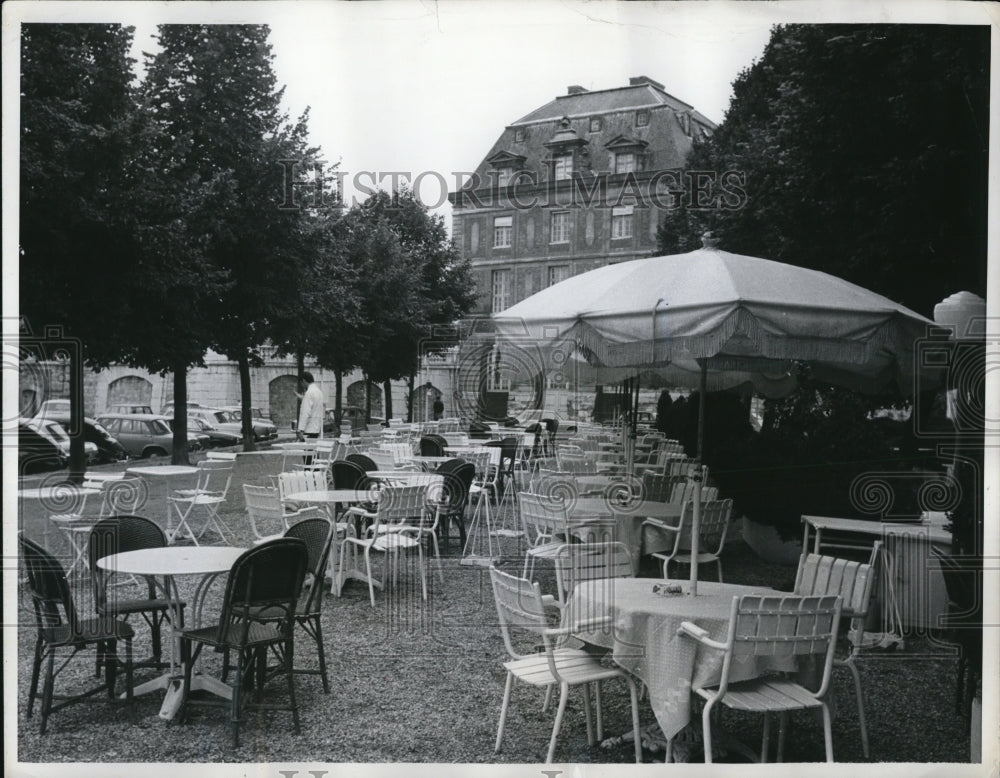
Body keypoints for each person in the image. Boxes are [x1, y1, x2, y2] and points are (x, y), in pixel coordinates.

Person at [296, 371, 325, 440]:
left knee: (308, 449)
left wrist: (300, 429)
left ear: (303, 380)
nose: (302, 386)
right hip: (316, 427)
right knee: (313, 449)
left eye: (301, 383)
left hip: (308, 428)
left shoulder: (309, 393)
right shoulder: (319, 392)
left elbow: (305, 412)